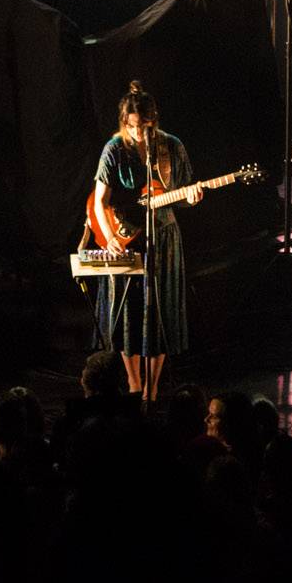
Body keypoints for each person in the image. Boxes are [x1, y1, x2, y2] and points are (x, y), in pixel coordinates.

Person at [89, 81, 201, 400]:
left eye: (145, 126)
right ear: (125, 122)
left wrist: (191, 198)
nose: (139, 133)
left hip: (164, 240)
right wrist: (109, 237)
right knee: (130, 315)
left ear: (154, 120)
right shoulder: (114, 149)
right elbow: (100, 200)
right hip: (126, 239)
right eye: (133, 126)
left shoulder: (171, 146)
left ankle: (151, 391)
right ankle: (134, 384)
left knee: (161, 313)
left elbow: (180, 195)